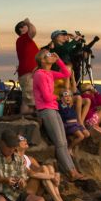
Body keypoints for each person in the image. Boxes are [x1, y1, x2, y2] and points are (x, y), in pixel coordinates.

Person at [33, 49, 87, 181]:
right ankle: (72, 172)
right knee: (60, 143)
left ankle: (72, 170)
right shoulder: (40, 74)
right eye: (48, 55)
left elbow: (66, 73)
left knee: (63, 142)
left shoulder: (49, 73)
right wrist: (58, 97)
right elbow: (46, 97)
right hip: (46, 109)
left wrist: (59, 60)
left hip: (53, 109)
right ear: (42, 60)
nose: (51, 55)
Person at [16, 134, 74, 201]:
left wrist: (56, 174)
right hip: (25, 192)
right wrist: (52, 176)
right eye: (21, 138)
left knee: (48, 167)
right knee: (44, 168)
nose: (25, 140)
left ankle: (58, 198)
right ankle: (57, 200)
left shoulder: (29, 158)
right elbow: (31, 174)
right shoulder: (15, 159)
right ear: (15, 146)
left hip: (36, 189)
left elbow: (42, 170)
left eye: (24, 137)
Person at [80, 83, 101, 160]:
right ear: (88, 90)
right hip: (90, 120)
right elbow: (100, 102)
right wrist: (96, 92)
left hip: (90, 118)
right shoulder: (87, 97)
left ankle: (96, 125)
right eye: (91, 89)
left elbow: (98, 103)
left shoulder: (84, 96)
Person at [15, 18, 39, 114]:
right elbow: (33, 31)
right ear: (21, 29)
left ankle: (27, 120)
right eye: (25, 26)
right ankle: (24, 119)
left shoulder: (25, 40)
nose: (28, 27)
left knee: (29, 101)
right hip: (28, 73)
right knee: (29, 102)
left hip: (28, 73)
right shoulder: (23, 38)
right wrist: (28, 22)